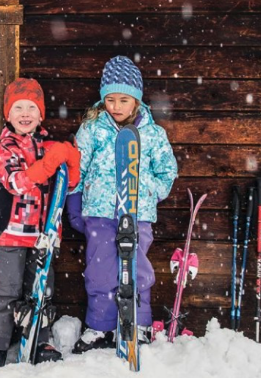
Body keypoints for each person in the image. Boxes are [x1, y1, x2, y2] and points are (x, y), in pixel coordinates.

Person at [67, 56, 178, 353]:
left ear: (137, 101)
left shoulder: (153, 134)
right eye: (110, 99)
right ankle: (100, 326)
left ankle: (138, 323)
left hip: (137, 214)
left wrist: (149, 189)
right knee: (100, 271)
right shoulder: (92, 129)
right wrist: (75, 202)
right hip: (100, 213)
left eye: (123, 99)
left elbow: (167, 172)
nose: (115, 106)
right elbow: (77, 166)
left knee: (137, 269)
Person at [0, 78, 81, 372]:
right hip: (10, 233)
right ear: (8, 114)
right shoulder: (4, 149)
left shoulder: (49, 146)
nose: (25, 113)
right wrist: (52, 161)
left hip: (43, 235)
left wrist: (71, 160)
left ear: (41, 114)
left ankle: (41, 339)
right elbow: (18, 182)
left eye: (31, 108)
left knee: (41, 290)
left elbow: (68, 184)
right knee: (5, 292)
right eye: (18, 107)